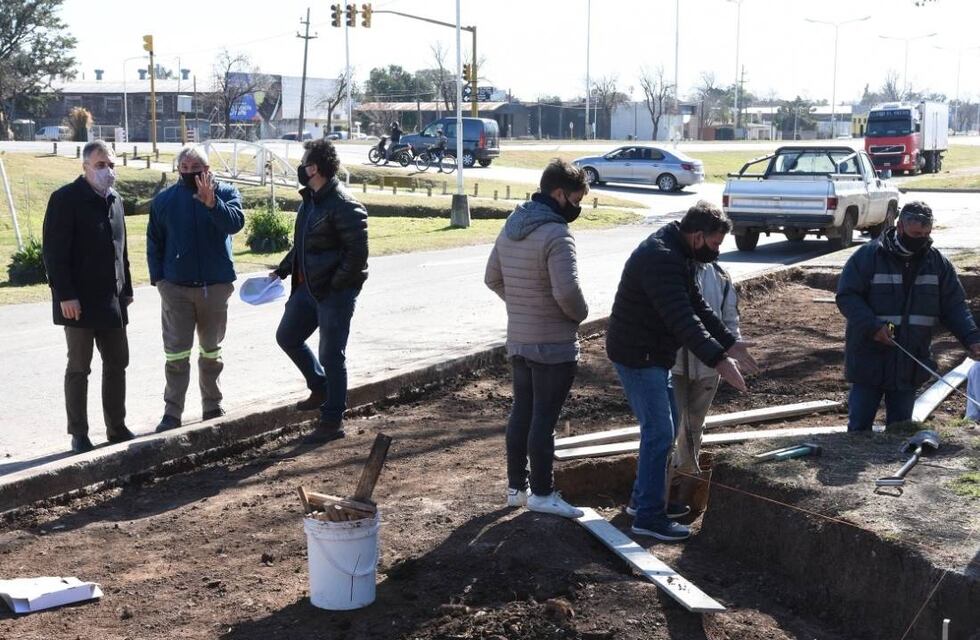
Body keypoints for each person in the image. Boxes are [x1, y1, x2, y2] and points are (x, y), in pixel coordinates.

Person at [606, 201, 758, 542]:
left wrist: (731, 343)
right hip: (637, 356)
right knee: (660, 432)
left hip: (654, 354)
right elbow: (683, 319)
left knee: (666, 429)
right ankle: (648, 516)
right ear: (699, 235)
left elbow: (698, 307)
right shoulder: (661, 258)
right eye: (716, 244)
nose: (717, 251)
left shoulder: (679, 251)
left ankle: (643, 500)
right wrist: (720, 359)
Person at [485, 159, 590, 518]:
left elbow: (493, 278)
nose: (576, 208)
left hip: (519, 339)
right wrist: (580, 315)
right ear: (559, 194)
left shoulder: (512, 225)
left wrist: (522, 306)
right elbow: (567, 293)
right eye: (576, 199)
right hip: (554, 343)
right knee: (544, 419)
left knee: (522, 413)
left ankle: (517, 489)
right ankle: (543, 493)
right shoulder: (557, 234)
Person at [836, 200, 980, 431]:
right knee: (859, 430)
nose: (920, 238)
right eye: (915, 233)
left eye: (925, 233)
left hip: (910, 362)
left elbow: (954, 307)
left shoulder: (937, 264)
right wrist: (873, 327)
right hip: (869, 357)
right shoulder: (868, 256)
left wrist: (972, 339)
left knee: (900, 432)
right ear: (900, 227)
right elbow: (847, 297)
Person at [42, 140, 135, 454]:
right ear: (84, 167)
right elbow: (54, 254)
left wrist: (127, 290)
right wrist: (65, 295)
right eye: (100, 165)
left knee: (117, 363)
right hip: (78, 304)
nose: (107, 171)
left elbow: (121, 252)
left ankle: (117, 427)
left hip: (112, 300)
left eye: (110, 164)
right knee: (79, 367)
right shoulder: (65, 199)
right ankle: (79, 433)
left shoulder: (116, 200)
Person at [273, 139, 368, 444]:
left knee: (331, 354)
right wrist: (283, 269)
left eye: (304, 163)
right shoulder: (310, 200)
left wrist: (334, 286)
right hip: (308, 289)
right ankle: (319, 386)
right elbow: (302, 244)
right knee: (287, 337)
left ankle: (332, 419)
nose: (300, 168)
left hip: (333, 294)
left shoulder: (345, 205)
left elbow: (357, 257)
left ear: (314, 168)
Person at [147, 145, 245, 432]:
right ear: (179, 170)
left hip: (214, 287)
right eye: (185, 168)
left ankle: (212, 405)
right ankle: (172, 413)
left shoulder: (226, 193)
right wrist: (159, 281)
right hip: (175, 289)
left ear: (208, 170)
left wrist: (212, 202)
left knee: (211, 352)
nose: (190, 173)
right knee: (176, 355)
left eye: (196, 168)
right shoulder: (165, 200)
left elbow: (235, 224)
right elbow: (154, 242)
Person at [670, 260, 740, 478]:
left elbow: (730, 319)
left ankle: (687, 474)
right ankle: (660, 484)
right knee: (668, 427)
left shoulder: (720, 276)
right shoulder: (675, 270)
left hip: (709, 367)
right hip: (675, 366)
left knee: (694, 425)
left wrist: (732, 353)